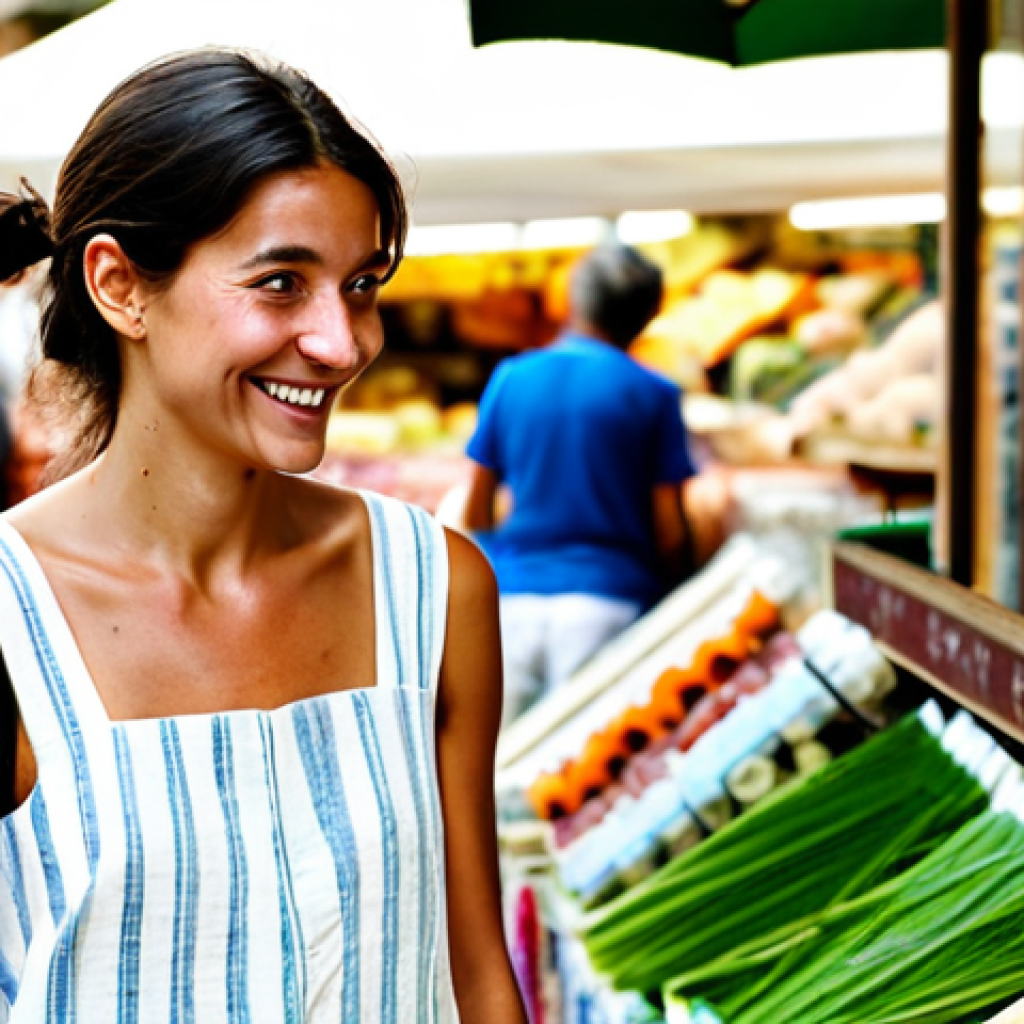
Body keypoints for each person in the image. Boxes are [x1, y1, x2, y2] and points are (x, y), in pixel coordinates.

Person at [0, 50, 525, 1024]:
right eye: (282, 282)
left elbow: (477, 972)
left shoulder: (432, 587)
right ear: (119, 285)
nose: (343, 342)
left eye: (361, 283)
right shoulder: (9, 617)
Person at [464, 245, 696, 724]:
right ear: (649, 314)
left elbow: (475, 511)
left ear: (572, 300)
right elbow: (670, 529)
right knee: (580, 768)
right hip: (609, 601)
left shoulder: (511, 378)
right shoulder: (653, 392)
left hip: (512, 605)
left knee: (498, 766)